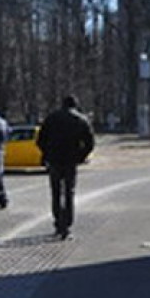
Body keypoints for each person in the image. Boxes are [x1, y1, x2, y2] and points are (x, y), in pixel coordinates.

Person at [36, 95, 95, 240]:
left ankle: (58, 223)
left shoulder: (51, 118)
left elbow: (40, 140)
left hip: (55, 160)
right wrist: (81, 156)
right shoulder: (81, 119)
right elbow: (90, 142)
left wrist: (47, 153)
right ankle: (67, 225)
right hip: (71, 160)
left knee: (56, 192)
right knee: (69, 192)